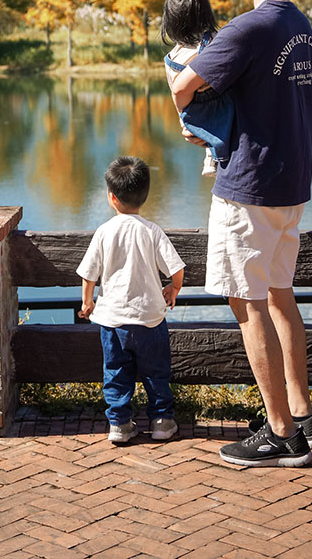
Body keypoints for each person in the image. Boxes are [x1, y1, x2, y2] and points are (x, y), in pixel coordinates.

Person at [171, 0, 312, 468]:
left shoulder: (249, 28)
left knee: (249, 307)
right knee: (281, 298)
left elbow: (185, 88)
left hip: (249, 188)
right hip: (292, 185)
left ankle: (281, 434)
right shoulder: (300, 25)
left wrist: (198, 126)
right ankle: (306, 415)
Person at [77, 156, 185, 445]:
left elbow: (89, 275)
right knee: (156, 373)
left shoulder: (104, 232)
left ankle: (120, 424)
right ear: (145, 196)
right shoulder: (151, 231)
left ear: (112, 198)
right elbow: (176, 269)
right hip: (150, 319)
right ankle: (162, 421)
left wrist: (87, 303)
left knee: (115, 373)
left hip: (112, 321)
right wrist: (173, 290)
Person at [161, 0, 234, 177]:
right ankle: (214, 156)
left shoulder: (172, 58)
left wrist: (183, 118)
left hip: (193, 111)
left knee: (205, 124)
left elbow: (175, 91)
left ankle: (210, 154)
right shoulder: (215, 42)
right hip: (222, 106)